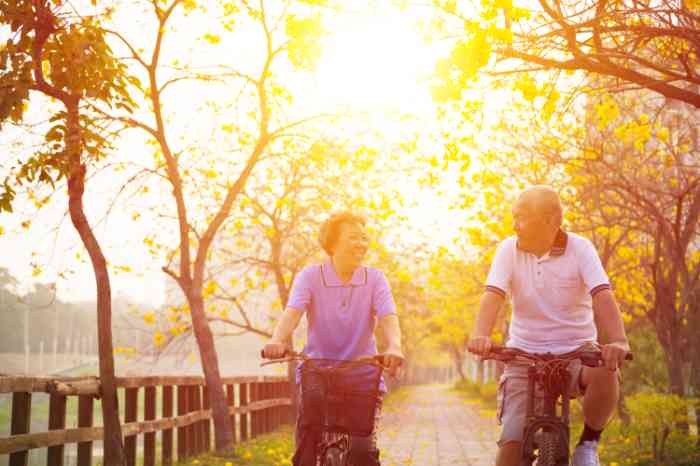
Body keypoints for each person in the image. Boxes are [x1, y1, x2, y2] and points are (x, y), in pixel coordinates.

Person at [468, 186, 631, 466]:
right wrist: (480, 333)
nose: (515, 225)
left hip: (576, 354)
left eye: (522, 217)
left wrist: (619, 340)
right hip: (523, 357)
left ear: (551, 220)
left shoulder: (580, 248)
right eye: (514, 217)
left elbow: (602, 294)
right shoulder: (508, 249)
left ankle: (588, 445)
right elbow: (493, 294)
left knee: (607, 367)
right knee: (509, 452)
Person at [263, 211, 404, 466]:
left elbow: (388, 315)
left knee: (363, 452)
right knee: (307, 446)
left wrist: (394, 345)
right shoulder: (310, 276)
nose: (361, 243)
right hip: (318, 370)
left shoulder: (375, 278)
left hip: (362, 372)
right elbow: (293, 311)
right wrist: (278, 340)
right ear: (333, 242)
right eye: (353, 237)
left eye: (364, 238)